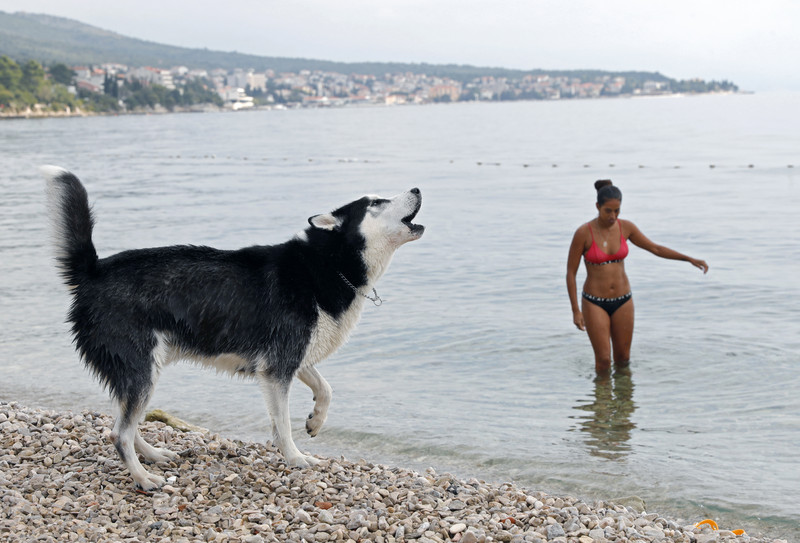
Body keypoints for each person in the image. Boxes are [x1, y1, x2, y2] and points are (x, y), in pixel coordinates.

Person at [566, 180, 708, 373]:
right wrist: (576, 310)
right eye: (608, 211)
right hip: (594, 302)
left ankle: (625, 403)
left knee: (623, 360)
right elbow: (570, 273)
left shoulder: (626, 228)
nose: (613, 216)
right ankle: (601, 403)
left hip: (623, 301)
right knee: (604, 361)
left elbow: (655, 248)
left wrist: (688, 258)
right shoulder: (583, 233)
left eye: (617, 211)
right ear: (597, 207)